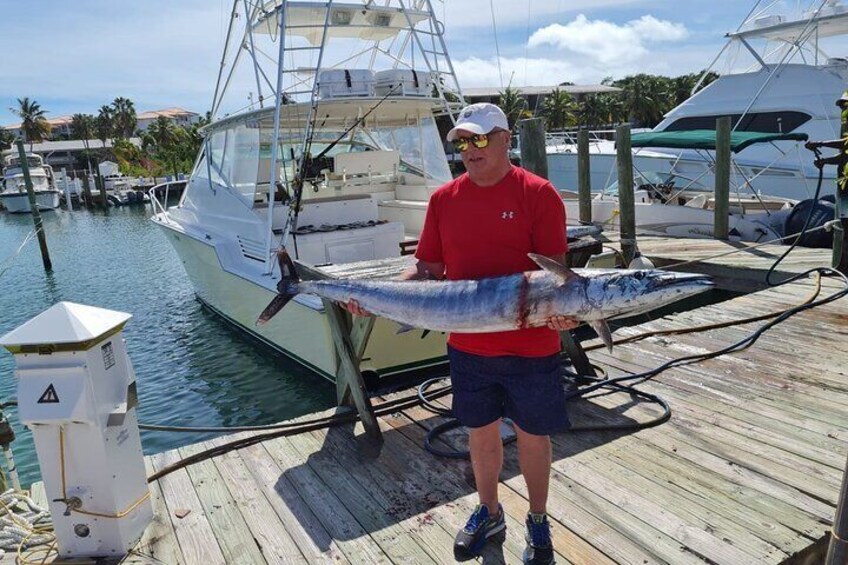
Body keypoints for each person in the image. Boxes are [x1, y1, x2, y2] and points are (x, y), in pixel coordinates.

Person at [348, 102, 576, 564]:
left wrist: (566, 314)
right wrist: (375, 296)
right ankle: (489, 511)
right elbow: (429, 269)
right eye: (462, 142)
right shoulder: (443, 200)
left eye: (480, 139)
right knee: (480, 434)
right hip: (468, 345)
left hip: (532, 347)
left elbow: (558, 278)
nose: (470, 150)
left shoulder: (540, 194)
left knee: (534, 436)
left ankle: (537, 518)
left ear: (506, 138)